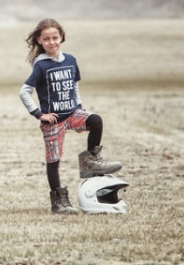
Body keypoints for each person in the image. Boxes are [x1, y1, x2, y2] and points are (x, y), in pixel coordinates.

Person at [19, 18, 122, 214]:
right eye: (46, 39)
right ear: (40, 41)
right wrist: (39, 114)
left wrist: (79, 109)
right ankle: (59, 201)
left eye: (55, 38)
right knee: (53, 160)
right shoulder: (41, 66)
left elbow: (74, 86)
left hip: (72, 113)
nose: (51, 42)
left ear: (61, 37)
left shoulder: (71, 60)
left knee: (95, 120)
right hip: (53, 121)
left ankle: (90, 161)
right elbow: (24, 92)